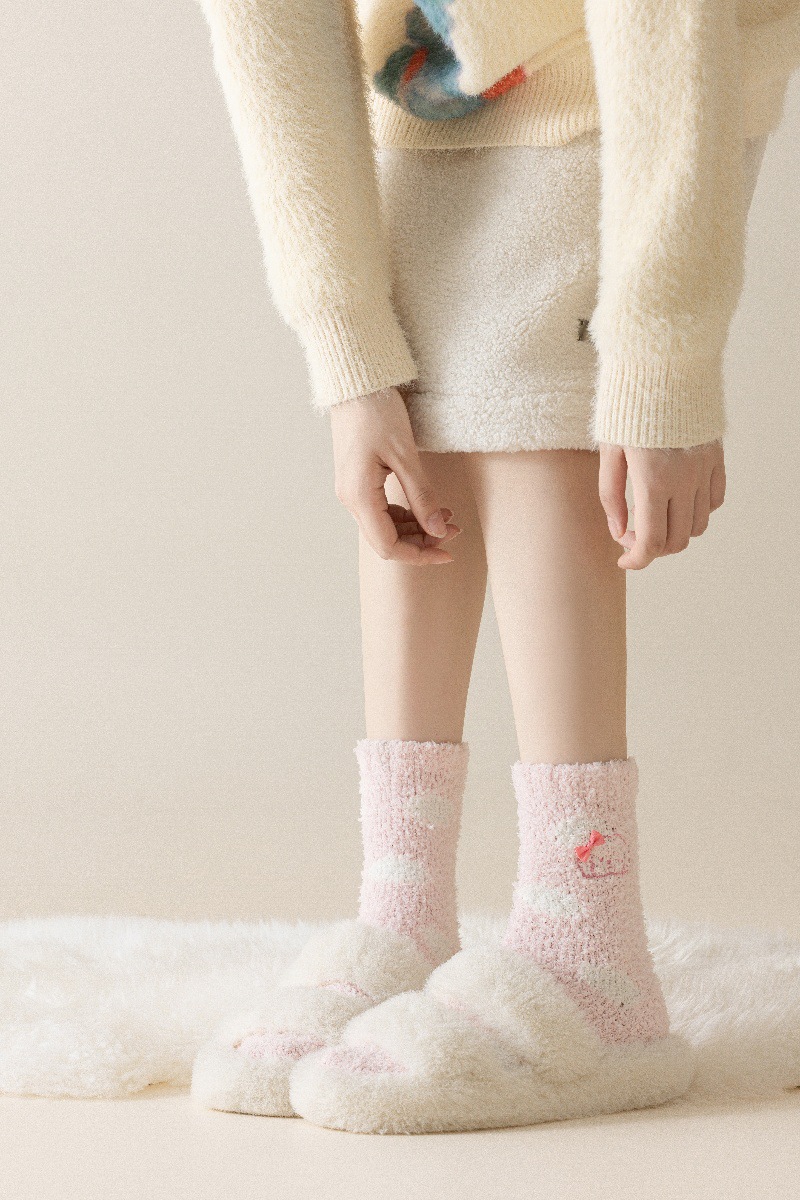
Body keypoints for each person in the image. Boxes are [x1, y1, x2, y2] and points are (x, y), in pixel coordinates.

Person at [188, 0, 799, 1132]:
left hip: (635, 74)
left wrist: (661, 353)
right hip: (431, 79)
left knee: (532, 415)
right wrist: (346, 350)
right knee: (413, 425)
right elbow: (271, 26)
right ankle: (404, 911)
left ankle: (590, 951)